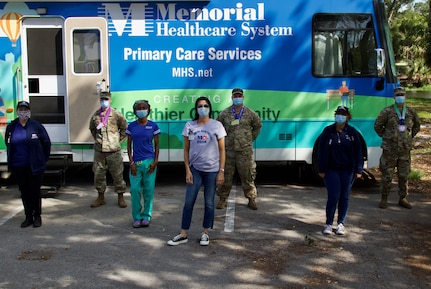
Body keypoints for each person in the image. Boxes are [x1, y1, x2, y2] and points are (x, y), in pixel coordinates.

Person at [167, 96, 226, 246]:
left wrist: (221, 171)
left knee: (209, 203)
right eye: (200, 106)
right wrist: (187, 170)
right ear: (196, 108)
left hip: (212, 171)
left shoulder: (217, 125)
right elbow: (186, 150)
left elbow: (222, 150)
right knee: (188, 202)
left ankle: (205, 233)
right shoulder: (190, 125)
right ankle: (183, 233)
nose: (203, 108)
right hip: (195, 170)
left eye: (206, 105)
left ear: (210, 108)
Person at [5, 101, 51, 228]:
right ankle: (28, 217)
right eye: (21, 109)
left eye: (25, 109)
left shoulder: (36, 126)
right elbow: (8, 143)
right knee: (24, 192)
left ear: (29, 111)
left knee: (35, 191)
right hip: (18, 166)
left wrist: (42, 159)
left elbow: (46, 143)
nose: (23, 111)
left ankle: (37, 216)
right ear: (17, 111)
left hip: (35, 166)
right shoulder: (12, 127)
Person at [318, 106, 363, 235]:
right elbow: (321, 151)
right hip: (331, 170)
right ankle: (328, 223)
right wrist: (321, 168)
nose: (340, 117)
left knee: (344, 196)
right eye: (338, 114)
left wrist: (358, 170)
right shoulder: (328, 131)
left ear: (348, 117)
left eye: (343, 114)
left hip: (347, 171)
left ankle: (341, 224)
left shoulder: (352, 133)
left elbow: (358, 152)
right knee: (333, 196)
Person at [374, 87, 421, 209]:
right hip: (390, 150)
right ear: (394, 97)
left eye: (402, 95)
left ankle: (403, 198)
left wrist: (408, 137)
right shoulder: (387, 112)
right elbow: (378, 126)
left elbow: (416, 126)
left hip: (405, 150)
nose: (400, 97)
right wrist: (387, 136)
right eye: (398, 95)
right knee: (387, 175)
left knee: (403, 175)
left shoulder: (411, 112)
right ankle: (384, 198)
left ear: (405, 96)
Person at [216, 88, 262, 210]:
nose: (237, 98)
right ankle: (222, 199)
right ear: (232, 98)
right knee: (226, 176)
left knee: (247, 175)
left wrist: (250, 138)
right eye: (235, 96)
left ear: (242, 97)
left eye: (239, 96)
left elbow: (258, 125)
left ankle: (251, 199)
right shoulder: (224, 114)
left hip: (244, 151)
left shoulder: (250, 113)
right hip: (228, 151)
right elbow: (217, 127)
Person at [89, 91, 128, 208]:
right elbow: (92, 129)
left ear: (110, 100)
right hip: (100, 151)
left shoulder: (116, 114)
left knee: (118, 174)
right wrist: (98, 141)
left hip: (113, 150)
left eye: (106, 99)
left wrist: (117, 141)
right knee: (98, 174)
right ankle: (101, 197)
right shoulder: (96, 115)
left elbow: (124, 128)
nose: (104, 101)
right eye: (102, 99)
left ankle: (121, 198)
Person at [126, 100, 160, 228]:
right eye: (139, 108)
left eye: (144, 108)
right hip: (136, 163)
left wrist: (155, 161)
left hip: (149, 162)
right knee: (134, 190)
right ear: (135, 111)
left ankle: (146, 216)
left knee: (148, 191)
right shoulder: (131, 126)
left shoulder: (153, 126)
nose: (141, 110)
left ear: (148, 110)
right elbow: (129, 146)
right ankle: (136, 217)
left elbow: (157, 145)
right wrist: (131, 162)